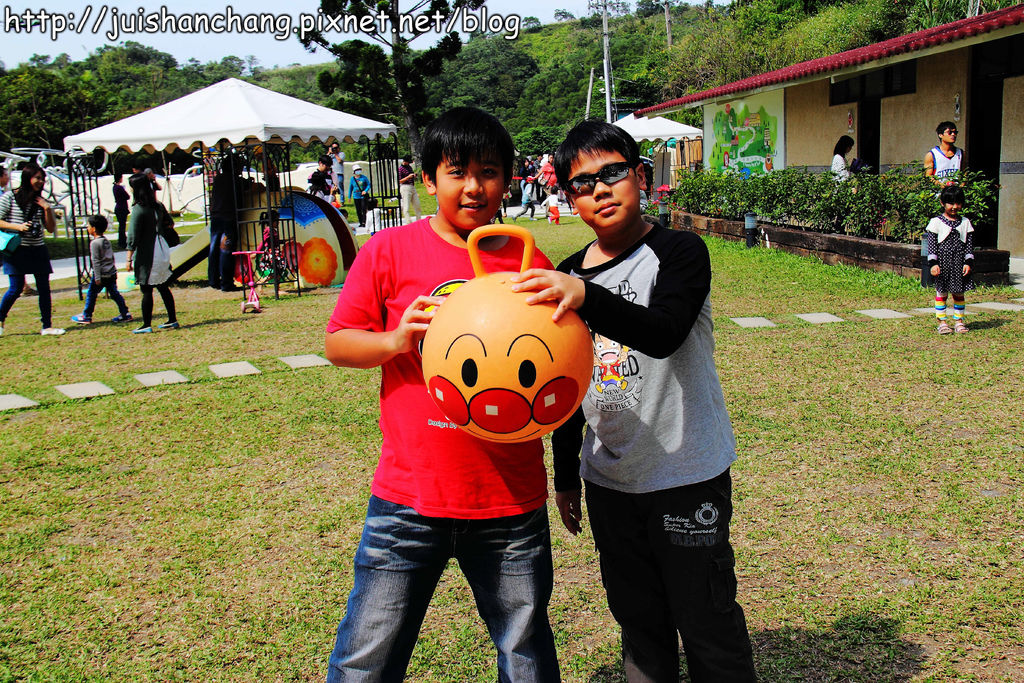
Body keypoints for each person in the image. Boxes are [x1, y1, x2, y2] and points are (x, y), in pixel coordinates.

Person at [511, 120, 757, 682]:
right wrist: (567, 473)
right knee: (639, 622)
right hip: (610, 484)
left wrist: (585, 296)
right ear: (568, 197)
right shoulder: (568, 273)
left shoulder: (679, 251)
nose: (599, 189)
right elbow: (566, 386)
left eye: (612, 173)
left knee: (706, 619)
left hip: (685, 471)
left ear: (639, 177)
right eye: (581, 183)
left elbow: (664, 331)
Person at [323, 106, 560, 683]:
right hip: (408, 498)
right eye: (457, 171)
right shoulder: (388, 251)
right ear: (429, 179)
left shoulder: (530, 263)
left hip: (509, 499)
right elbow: (338, 343)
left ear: (509, 179)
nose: (474, 186)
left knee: (525, 655)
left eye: (489, 171)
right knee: (365, 660)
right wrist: (398, 339)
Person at [0, 163, 65, 336]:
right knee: (15, 288)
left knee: (44, 288)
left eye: (42, 178)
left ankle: (47, 326)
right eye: (37, 178)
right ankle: (0, 320)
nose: (40, 181)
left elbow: (50, 229)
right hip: (17, 249)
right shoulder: (9, 197)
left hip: (38, 248)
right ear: (27, 178)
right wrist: (18, 227)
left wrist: (47, 208)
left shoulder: (41, 201)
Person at [126, 174, 178, 334]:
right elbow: (170, 222)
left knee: (146, 288)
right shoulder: (158, 206)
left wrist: (128, 259)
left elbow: (133, 236)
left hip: (148, 251)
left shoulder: (138, 209)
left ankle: (146, 324)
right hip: (161, 248)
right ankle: (172, 320)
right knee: (163, 286)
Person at [926, 184, 974, 335]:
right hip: (943, 264)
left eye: (958, 203)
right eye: (950, 203)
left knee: (959, 293)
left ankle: (959, 321)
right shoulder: (936, 222)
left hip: (959, 264)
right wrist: (933, 264)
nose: (954, 207)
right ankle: (942, 322)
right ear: (942, 203)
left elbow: (969, 246)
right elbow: (932, 246)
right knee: (942, 293)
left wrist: (968, 262)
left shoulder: (965, 223)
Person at [70, 215, 133, 325]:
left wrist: (97, 277)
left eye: (88, 226)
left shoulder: (94, 243)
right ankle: (125, 313)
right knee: (115, 294)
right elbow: (111, 257)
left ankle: (87, 315)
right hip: (111, 273)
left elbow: (96, 261)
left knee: (91, 294)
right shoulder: (106, 241)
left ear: (93, 229)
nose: (87, 228)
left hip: (102, 275)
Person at [208, 154, 249, 292]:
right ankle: (226, 283)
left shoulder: (218, 178)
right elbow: (246, 187)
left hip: (216, 217)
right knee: (226, 250)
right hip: (228, 218)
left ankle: (213, 280)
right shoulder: (234, 180)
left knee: (214, 249)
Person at [398, 155, 422, 222]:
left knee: (417, 205)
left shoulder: (409, 167)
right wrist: (408, 177)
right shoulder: (400, 169)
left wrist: (414, 175)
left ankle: (418, 221)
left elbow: (411, 174)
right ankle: (409, 222)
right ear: (404, 161)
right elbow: (399, 181)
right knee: (406, 207)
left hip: (412, 186)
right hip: (405, 187)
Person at [112, 173, 130, 249]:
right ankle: (122, 242)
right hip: (122, 208)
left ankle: (122, 240)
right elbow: (127, 196)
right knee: (122, 226)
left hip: (119, 207)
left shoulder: (114, 187)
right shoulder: (119, 188)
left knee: (121, 226)